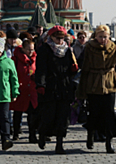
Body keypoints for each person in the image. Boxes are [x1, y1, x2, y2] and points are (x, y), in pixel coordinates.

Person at [77, 25, 116, 154]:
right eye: (100, 36)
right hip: (93, 84)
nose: (103, 39)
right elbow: (84, 66)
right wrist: (83, 88)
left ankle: (109, 142)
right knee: (93, 113)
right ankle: (91, 134)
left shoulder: (112, 47)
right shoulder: (89, 48)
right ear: (96, 36)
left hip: (109, 83)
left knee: (109, 114)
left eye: (105, 37)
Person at [35, 25, 77, 154]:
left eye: (62, 38)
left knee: (63, 117)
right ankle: (42, 134)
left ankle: (60, 144)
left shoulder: (68, 50)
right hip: (50, 87)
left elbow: (71, 67)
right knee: (49, 115)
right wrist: (41, 84)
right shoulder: (44, 50)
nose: (60, 40)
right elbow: (41, 69)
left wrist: (73, 69)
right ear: (51, 37)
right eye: (57, 38)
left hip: (64, 87)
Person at [11, 38, 38, 143]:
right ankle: (16, 133)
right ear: (23, 48)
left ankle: (32, 135)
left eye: (32, 50)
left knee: (33, 114)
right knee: (18, 113)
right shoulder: (16, 58)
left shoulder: (36, 58)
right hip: (20, 89)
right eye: (28, 50)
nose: (30, 52)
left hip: (32, 89)